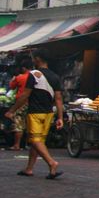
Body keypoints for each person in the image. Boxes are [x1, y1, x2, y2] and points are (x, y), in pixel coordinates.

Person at [5, 50, 64, 179]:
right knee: (38, 142)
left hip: (35, 112)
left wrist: (12, 110)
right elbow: (59, 99)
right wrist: (60, 117)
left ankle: (51, 163)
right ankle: (29, 169)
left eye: (33, 58)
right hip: (48, 113)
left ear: (38, 59)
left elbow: (25, 94)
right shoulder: (55, 77)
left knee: (35, 140)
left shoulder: (33, 75)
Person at [6, 57, 33, 151]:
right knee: (29, 123)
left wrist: (13, 79)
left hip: (21, 102)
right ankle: (28, 144)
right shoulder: (36, 76)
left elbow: (11, 87)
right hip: (33, 102)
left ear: (24, 68)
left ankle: (17, 145)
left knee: (18, 123)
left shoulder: (20, 77)